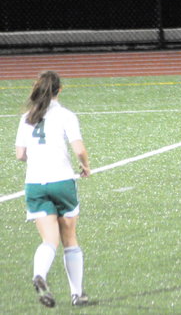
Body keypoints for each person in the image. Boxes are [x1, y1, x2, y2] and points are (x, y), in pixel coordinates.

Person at [15, 71, 91, 308]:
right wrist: (85, 166)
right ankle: (77, 295)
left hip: (35, 184)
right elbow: (79, 149)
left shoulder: (27, 117)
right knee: (69, 238)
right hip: (62, 181)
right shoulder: (65, 115)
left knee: (49, 240)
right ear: (60, 89)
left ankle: (40, 274)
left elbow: (20, 154)